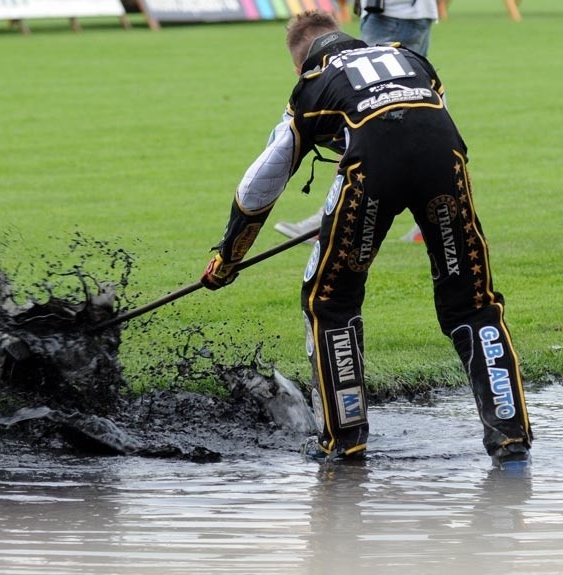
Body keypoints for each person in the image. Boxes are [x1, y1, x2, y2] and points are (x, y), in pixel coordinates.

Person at [200, 11, 532, 467]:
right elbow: (426, 128)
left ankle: (345, 441)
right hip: (445, 163)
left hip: (370, 174)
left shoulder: (312, 85)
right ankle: (510, 438)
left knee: (329, 301)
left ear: (299, 63)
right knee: (473, 303)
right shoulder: (412, 59)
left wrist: (229, 256)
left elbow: (262, 183)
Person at [275, 0, 439, 244]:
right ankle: (435, 215)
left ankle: (332, 219)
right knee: (411, 105)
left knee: (362, 114)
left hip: (389, 14)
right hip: (417, 13)